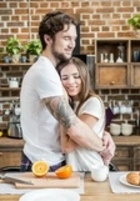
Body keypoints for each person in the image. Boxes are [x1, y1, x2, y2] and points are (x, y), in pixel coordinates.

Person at [20, 10, 115, 171]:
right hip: (45, 163)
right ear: (48, 39)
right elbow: (75, 128)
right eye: (66, 38)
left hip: (51, 159)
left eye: (74, 39)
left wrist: (103, 134)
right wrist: (102, 148)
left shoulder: (52, 71)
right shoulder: (45, 73)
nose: (72, 44)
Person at [56, 57, 108, 171]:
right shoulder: (73, 104)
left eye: (76, 76)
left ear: (84, 77)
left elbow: (67, 146)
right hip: (77, 171)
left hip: (91, 169)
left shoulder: (92, 103)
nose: (70, 82)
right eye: (64, 78)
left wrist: (62, 103)